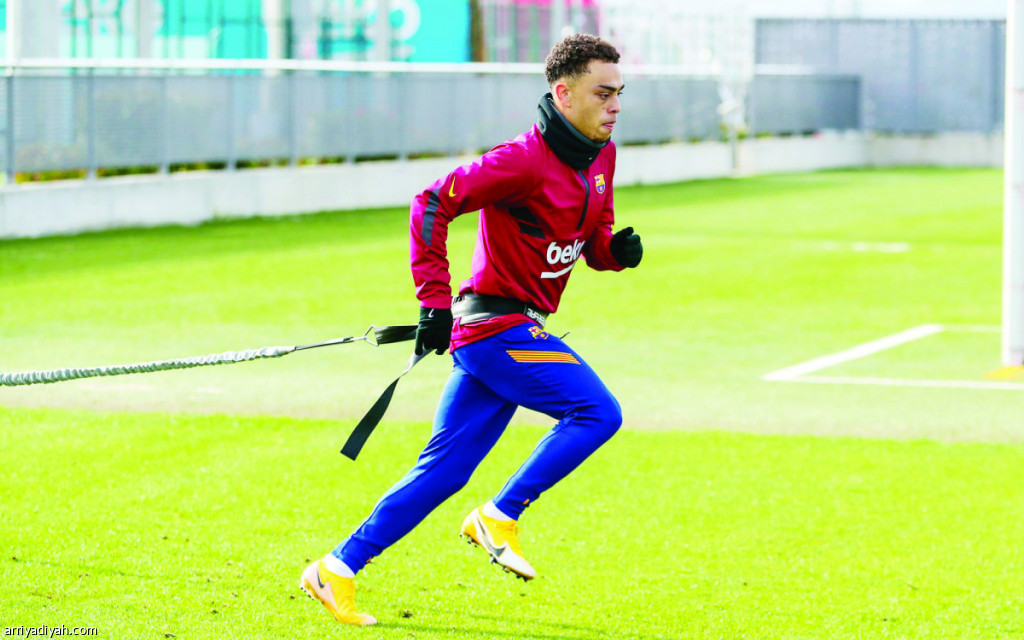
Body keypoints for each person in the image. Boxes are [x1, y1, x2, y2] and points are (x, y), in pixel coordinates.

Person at [299, 33, 643, 626]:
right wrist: (433, 303)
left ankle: (334, 569)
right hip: (496, 331)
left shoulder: (601, 156)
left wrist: (614, 252)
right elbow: (431, 203)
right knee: (597, 413)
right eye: (602, 93)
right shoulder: (521, 160)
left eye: (620, 93)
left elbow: (591, 239)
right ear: (563, 94)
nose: (615, 106)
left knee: (445, 472)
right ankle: (499, 515)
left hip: (513, 331)